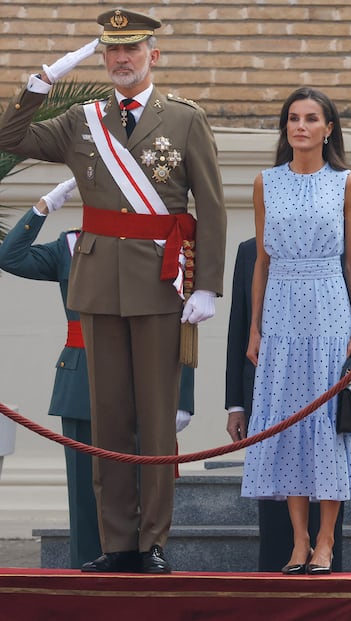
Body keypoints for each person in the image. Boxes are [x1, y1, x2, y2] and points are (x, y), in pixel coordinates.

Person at [0, 9, 226, 574]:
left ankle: (151, 541)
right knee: (108, 416)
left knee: (154, 418)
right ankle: (117, 541)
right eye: (111, 52)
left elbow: (213, 206)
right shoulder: (82, 119)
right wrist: (41, 82)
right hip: (97, 283)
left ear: (154, 54)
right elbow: (10, 138)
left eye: (132, 50)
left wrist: (209, 287)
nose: (121, 60)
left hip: (158, 280)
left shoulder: (183, 120)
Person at [0, 179, 195, 569]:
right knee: (87, 493)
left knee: (144, 484)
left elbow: (181, 320)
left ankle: (144, 564)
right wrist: (45, 204)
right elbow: (11, 257)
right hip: (83, 381)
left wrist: (182, 395)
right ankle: (88, 576)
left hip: (146, 378)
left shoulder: (156, 240)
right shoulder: (70, 247)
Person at [239, 87, 351, 576]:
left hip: (330, 306)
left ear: (328, 128)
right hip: (281, 311)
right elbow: (262, 263)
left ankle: (326, 541)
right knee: (290, 421)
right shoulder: (265, 183)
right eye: (293, 118)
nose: (300, 126)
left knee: (327, 425)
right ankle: (297, 542)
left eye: (311, 118)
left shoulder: (347, 183)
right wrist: (254, 327)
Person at [225, 236, 351, 572]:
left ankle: (325, 552)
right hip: (276, 389)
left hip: (329, 390)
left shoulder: (350, 245)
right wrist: (236, 404)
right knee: (274, 520)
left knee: (330, 478)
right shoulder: (251, 250)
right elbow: (240, 327)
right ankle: (280, 579)